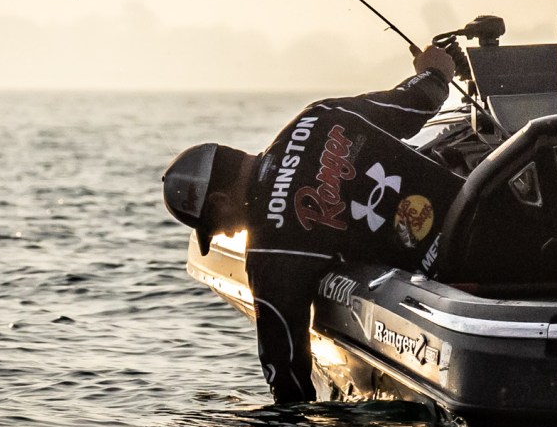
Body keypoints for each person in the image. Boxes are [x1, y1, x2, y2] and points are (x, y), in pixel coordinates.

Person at [163, 44, 458, 403]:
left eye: (215, 226)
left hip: (458, 271)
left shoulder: (270, 252)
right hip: (482, 208)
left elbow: (285, 374)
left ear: (220, 202)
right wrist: (435, 70)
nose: (228, 233)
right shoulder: (317, 117)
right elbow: (413, 105)